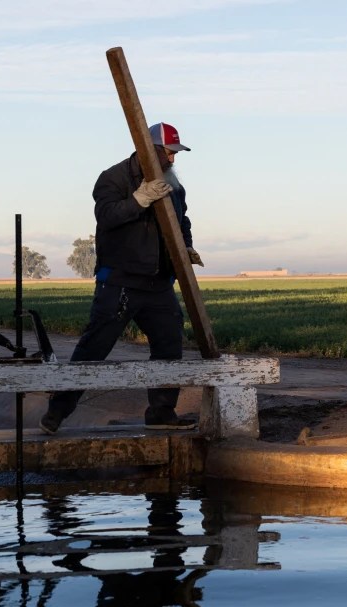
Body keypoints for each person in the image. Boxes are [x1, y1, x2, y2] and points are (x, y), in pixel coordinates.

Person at [40, 122, 204, 433]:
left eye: (175, 154)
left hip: (158, 284)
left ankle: (161, 414)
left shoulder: (174, 186)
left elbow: (182, 221)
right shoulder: (113, 178)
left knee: (169, 345)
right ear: (148, 150)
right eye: (168, 153)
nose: (172, 160)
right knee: (93, 348)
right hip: (120, 282)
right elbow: (107, 217)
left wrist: (186, 246)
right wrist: (138, 200)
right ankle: (56, 413)